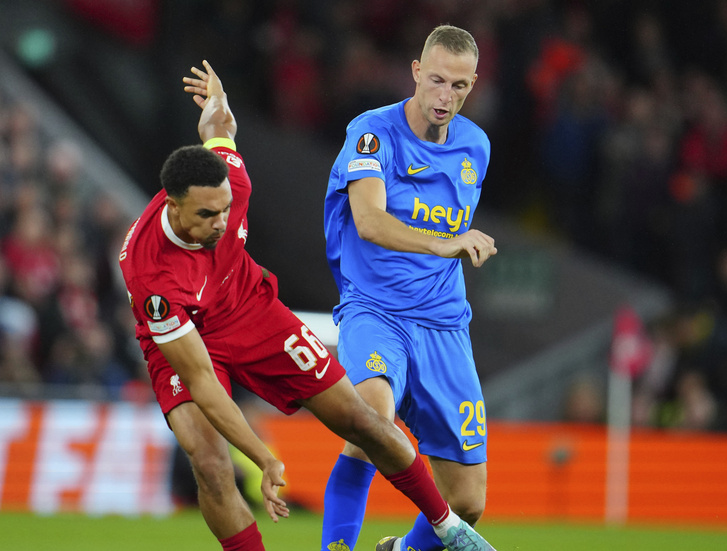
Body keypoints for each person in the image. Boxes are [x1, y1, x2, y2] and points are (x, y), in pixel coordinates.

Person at [118, 60, 496, 551]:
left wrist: (218, 102)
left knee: (363, 421)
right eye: (207, 215)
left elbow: (218, 129)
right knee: (210, 464)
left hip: (247, 306)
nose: (220, 223)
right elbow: (204, 384)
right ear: (171, 207)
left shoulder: (232, 180)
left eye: (225, 211)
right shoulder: (151, 278)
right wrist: (262, 457)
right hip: (186, 335)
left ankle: (448, 529)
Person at [322, 25, 497, 551]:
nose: (447, 97)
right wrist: (443, 243)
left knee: (467, 501)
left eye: (461, 87)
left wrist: (452, 249)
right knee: (371, 420)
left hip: (444, 323)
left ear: (473, 86)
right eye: (438, 81)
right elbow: (370, 221)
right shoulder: (373, 134)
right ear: (417, 72)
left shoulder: (476, 146)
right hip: (376, 310)